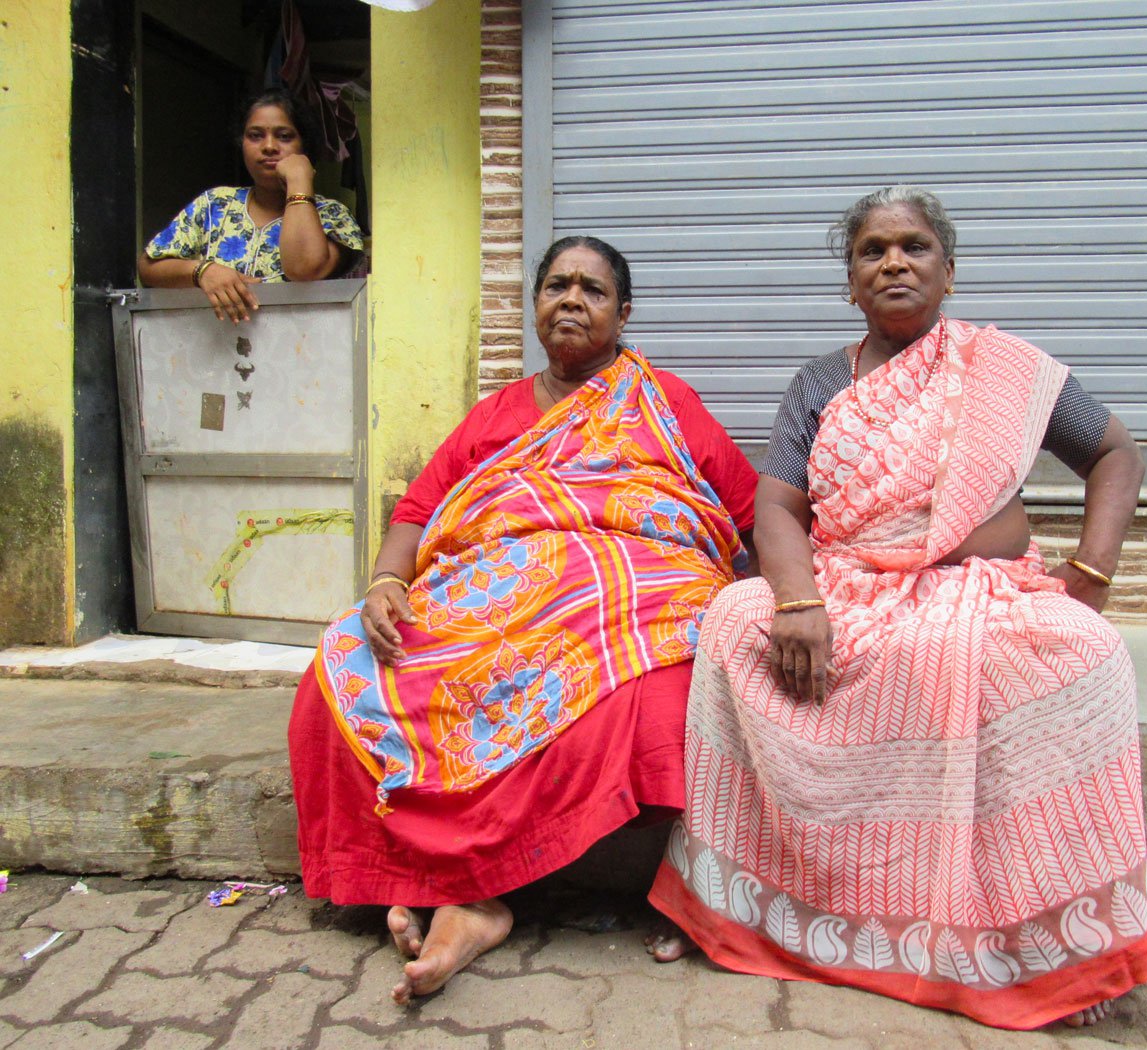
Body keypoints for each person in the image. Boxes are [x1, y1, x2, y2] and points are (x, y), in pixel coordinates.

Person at [648, 186, 1147, 1030]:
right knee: (735, 619)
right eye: (871, 251)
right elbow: (777, 506)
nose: (893, 262)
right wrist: (797, 599)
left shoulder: (1004, 368)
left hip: (980, 589)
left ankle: (1059, 948)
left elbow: (1117, 454)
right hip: (846, 584)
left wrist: (1091, 574)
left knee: (1088, 653)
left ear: (948, 272)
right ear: (850, 283)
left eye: (914, 247)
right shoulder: (820, 382)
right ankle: (734, 907)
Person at [289, 236, 757, 1004]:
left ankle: (466, 899)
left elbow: (746, 508)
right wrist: (385, 582)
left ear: (624, 314)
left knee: (653, 699)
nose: (572, 299)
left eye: (593, 290)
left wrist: (781, 606)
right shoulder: (496, 414)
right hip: (495, 599)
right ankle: (460, 895)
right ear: (535, 305)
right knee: (347, 666)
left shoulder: (665, 401)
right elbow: (417, 511)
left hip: (634, 599)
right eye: (556, 286)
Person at [138, 88, 364, 324]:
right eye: (255, 136)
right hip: (216, 345)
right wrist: (203, 271)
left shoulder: (333, 216)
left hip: (302, 344)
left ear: (304, 146)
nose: (269, 146)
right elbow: (148, 267)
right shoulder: (215, 205)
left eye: (284, 136)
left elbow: (304, 269)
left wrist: (299, 181)